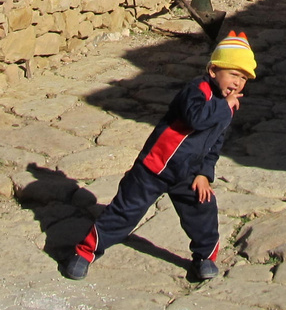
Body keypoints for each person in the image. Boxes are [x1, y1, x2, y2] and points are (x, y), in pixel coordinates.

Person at [63, 30, 257, 282]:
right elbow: (196, 119)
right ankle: (85, 252)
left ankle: (204, 257)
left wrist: (203, 174)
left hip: (187, 173)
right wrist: (224, 106)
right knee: (124, 212)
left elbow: (215, 143)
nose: (238, 83)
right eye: (233, 74)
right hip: (153, 168)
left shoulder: (226, 106)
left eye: (243, 78)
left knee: (203, 210)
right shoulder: (196, 91)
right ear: (213, 71)